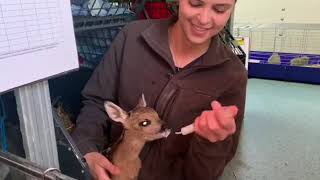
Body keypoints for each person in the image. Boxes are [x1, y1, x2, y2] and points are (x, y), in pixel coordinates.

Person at [71, 0, 247, 179]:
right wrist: (86, 150)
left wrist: (212, 142)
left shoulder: (232, 75)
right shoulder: (132, 37)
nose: (203, 19)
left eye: (219, 9)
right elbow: (97, 102)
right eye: (195, 3)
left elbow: (205, 173)